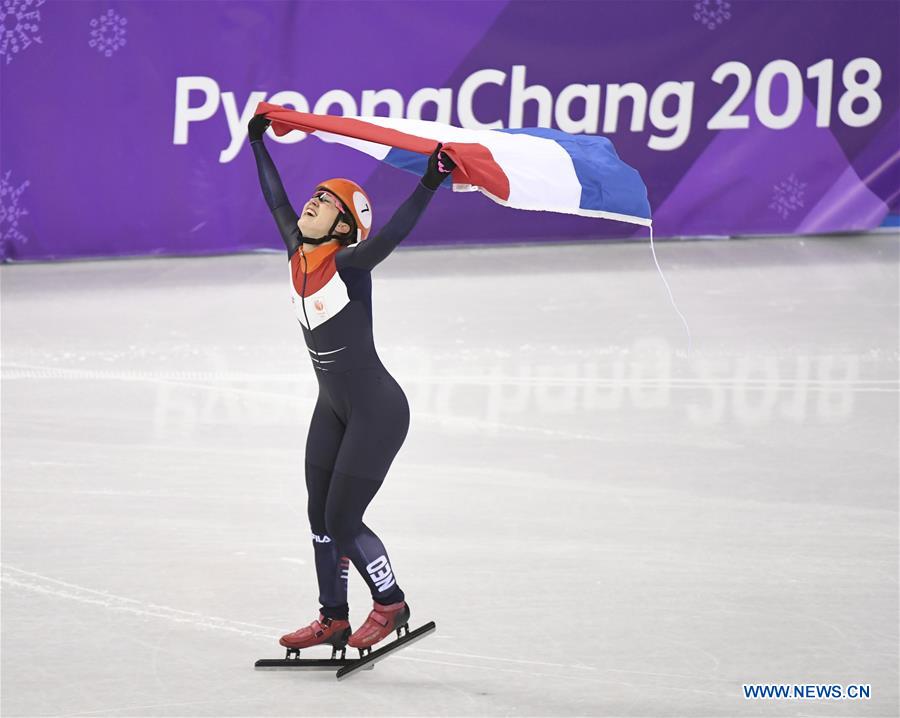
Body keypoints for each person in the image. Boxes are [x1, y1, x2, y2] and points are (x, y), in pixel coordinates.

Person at [247, 113, 455, 653]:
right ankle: (332, 617)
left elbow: (392, 234)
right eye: (314, 195)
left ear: (343, 228)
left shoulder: (350, 265)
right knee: (319, 516)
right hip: (333, 407)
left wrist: (430, 180)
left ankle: (390, 603)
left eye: (326, 202)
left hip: (377, 411)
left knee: (343, 517)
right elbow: (275, 198)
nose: (311, 202)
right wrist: (258, 143)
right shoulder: (297, 250)